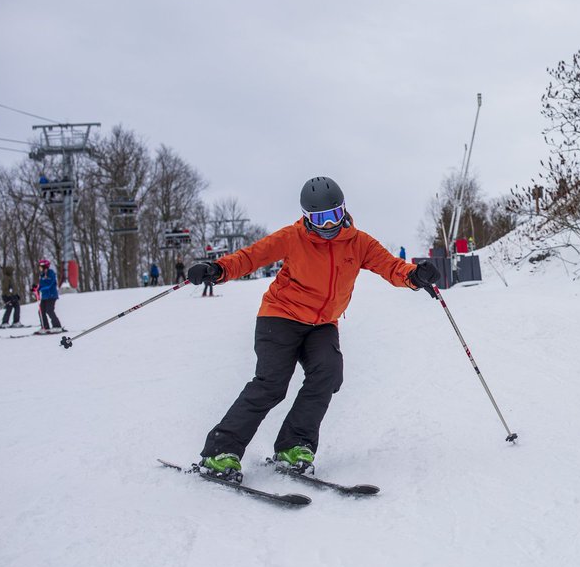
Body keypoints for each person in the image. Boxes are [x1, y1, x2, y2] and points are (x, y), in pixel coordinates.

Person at [187, 176, 440, 480]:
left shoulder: (359, 242)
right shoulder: (293, 237)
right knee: (271, 385)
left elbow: (391, 266)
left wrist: (415, 275)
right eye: (319, 218)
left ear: (344, 210)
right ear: (307, 218)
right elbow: (251, 257)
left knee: (328, 373)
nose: (328, 224)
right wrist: (218, 270)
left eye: (334, 215)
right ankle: (220, 452)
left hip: (322, 324)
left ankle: (294, 446)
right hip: (280, 316)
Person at [36, 258, 63, 334]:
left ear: (44, 266)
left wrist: (40, 287)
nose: (40, 268)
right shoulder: (41, 275)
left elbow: (49, 284)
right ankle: (45, 327)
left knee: (49, 310)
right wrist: (36, 288)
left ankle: (57, 326)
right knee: (41, 311)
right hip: (44, 296)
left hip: (51, 295)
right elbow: (41, 284)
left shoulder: (51, 273)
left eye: (41, 266)